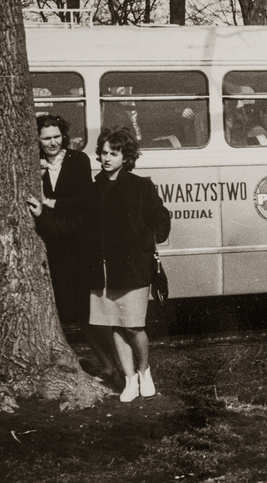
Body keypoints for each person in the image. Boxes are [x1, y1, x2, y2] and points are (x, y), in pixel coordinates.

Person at [26, 116, 120, 385]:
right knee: (78, 315)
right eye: (46, 138)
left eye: (56, 136)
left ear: (63, 136)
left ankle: (118, 366)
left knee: (93, 313)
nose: (52, 142)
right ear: (38, 140)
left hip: (80, 245)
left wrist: (48, 203)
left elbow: (83, 202)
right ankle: (107, 366)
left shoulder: (78, 160)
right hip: (54, 247)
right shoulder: (33, 164)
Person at [85, 127, 171, 403]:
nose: (106, 158)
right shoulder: (94, 187)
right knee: (114, 326)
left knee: (133, 326)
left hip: (132, 267)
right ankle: (129, 379)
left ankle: (145, 372)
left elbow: (161, 219)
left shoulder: (140, 185)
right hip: (103, 269)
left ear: (126, 156)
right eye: (103, 153)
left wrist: (144, 244)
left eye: (114, 153)